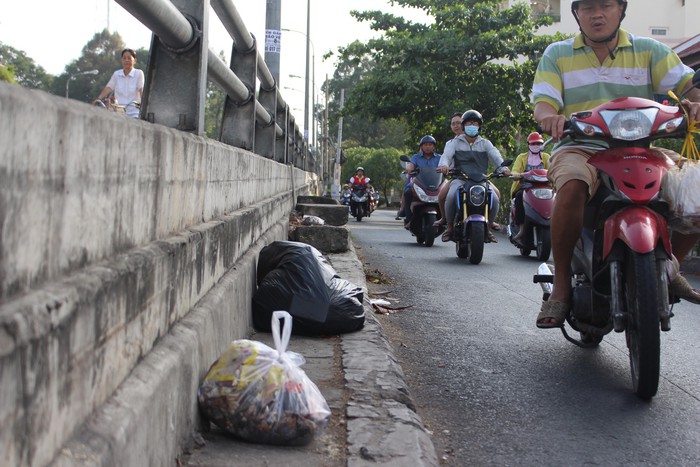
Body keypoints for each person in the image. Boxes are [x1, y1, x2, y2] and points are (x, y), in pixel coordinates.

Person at [532, 0, 700, 328]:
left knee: (694, 188)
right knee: (572, 187)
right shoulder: (557, 54)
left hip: (642, 149)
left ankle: (671, 267)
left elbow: (688, 88)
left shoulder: (650, 50)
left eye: (605, 5)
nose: (597, 14)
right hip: (581, 148)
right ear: (576, 14)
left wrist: (695, 104)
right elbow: (544, 102)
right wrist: (550, 117)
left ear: (620, 9)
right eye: (588, 7)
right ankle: (562, 284)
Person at [437, 110, 510, 243]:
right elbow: (446, 156)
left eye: (475, 123)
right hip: (460, 179)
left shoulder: (485, 143)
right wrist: (444, 165)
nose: (472, 125)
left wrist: (504, 169)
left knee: (495, 197)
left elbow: (496, 157)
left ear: (479, 126)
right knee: (451, 195)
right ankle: (449, 226)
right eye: (469, 123)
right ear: (464, 126)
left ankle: (488, 228)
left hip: (482, 180)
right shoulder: (454, 143)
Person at [510, 132, 551, 244]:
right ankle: (522, 229)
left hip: (544, 188)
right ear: (528, 144)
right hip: (526, 188)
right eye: (533, 143)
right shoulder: (522, 157)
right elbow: (515, 170)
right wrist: (516, 174)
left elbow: (553, 170)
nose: (536, 145)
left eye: (538, 143)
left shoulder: (547, 157)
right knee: (519, 196)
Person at [403, 135, 441, 227]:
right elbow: (411, 165)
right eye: (425, 145)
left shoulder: (440, 157)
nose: (427, 147)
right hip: (419, 183)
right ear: (421, 146)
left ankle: (447, 219)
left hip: (436, 184)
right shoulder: (416, 157)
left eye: (430, 144)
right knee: (407, 191)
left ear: (434, 146)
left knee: (449, 193)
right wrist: (409, 169)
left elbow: (445, 165)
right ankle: (408, 218)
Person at [94, 48, 144, 119]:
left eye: (129, 58)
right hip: (118, 112)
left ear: (134, 60)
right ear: (122, 60)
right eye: (124, 58)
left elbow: (141, 89)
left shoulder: (139, 73)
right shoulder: (116, 74)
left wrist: (144, 105)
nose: (126, 60)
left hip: (134, 113)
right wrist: (98, 99)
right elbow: (109, 87)